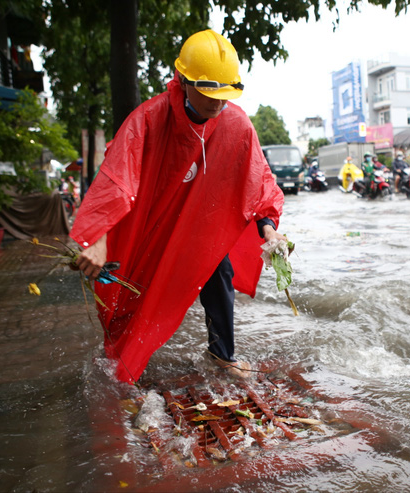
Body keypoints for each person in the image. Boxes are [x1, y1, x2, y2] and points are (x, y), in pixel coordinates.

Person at [70, 29, 285, 384]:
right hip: (148, 226)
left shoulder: (236, 125)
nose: (217, 103)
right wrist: (98, 236)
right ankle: (120, 361)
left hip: (202, 226)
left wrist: (269, 229)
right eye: (208, 93)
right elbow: (116, 179)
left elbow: (256, 181)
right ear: (183, 81)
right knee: (128, 290)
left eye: (224, 95)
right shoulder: (148, 119)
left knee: (220, 273)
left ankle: (222, 354)